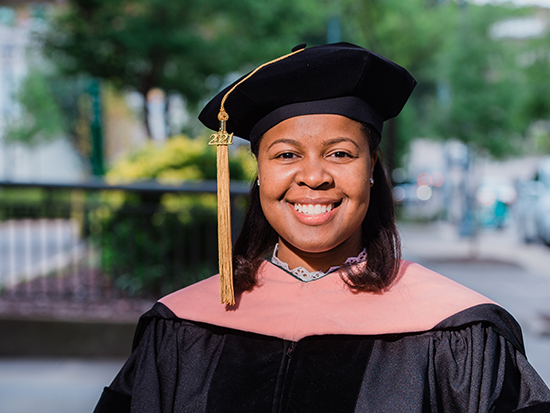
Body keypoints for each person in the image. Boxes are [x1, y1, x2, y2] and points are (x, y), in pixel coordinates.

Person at [94, 43, 550, 412]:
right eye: (286, 155)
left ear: (372, 166)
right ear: (259, 172)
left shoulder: (458, 333)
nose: (313, 177)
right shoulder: (181, 328)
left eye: (340, 153)